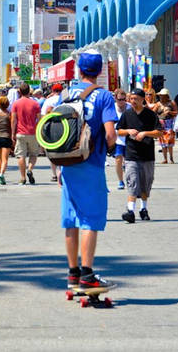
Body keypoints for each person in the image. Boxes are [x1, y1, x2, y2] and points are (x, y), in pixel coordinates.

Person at [60, 51, 118, 291]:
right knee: (90, 220)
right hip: (91, 163)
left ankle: (73, 273)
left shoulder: (66, 94)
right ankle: (87, 274)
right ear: (99, 71)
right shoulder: (104, 96)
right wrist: (112, 148)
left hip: (67, 163)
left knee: (71, 219)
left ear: (79, 70)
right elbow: (110, 133)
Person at [117, 88, 161, 222]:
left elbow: (159, 132)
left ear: (143, 99)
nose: (133, 101)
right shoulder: (127, 114)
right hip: (131, 154)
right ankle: (130, 211)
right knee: (132, 182)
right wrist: (128, 131)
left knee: (145, 183)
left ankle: (143, 209)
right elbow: (119, 131)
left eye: (135, 99)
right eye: (131, 99)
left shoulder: (150, 115)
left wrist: (145, 133)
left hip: (147, 154)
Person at [11, 82, 41, 185]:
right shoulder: (35, 104)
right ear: (29, 91)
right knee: (33, 154)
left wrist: (12, 133)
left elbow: (14, 120)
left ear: (20, 92)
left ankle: (23, 177)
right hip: (33, 132)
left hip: (20, 132)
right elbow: (39, 119)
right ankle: (30, 169)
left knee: (21, 155)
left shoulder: (16, 103)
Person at [42, 83, 66, 182]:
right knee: (64, 150)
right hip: (64, 127)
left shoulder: (48, 100)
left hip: (51, 127)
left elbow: (43, 115)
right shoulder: (65, 99)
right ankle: (62, 171)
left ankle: (54, 174)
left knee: (52, 151)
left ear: (52, 91)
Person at [113, 89, 128, 190]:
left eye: (123, 99)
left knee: (129, 161)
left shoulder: (130, 107)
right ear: (115, 98)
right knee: (118, 159)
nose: (122, 101)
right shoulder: (111, 108)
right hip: (117, 139)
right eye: (120, 99)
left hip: (129, 138)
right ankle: (120, 181)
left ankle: (130, 179)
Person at [157, 88, 177, 164]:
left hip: (169, 123)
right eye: (160, 96)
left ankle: (171, 158)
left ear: (166, 96)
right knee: (162, 142)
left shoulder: (171, 103)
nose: (161, 97)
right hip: (161, 124)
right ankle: (165, 159)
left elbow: (176, 112)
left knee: (169, 141)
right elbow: (153, 112)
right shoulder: (158, 104)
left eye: (162, 96)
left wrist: (170, 112)